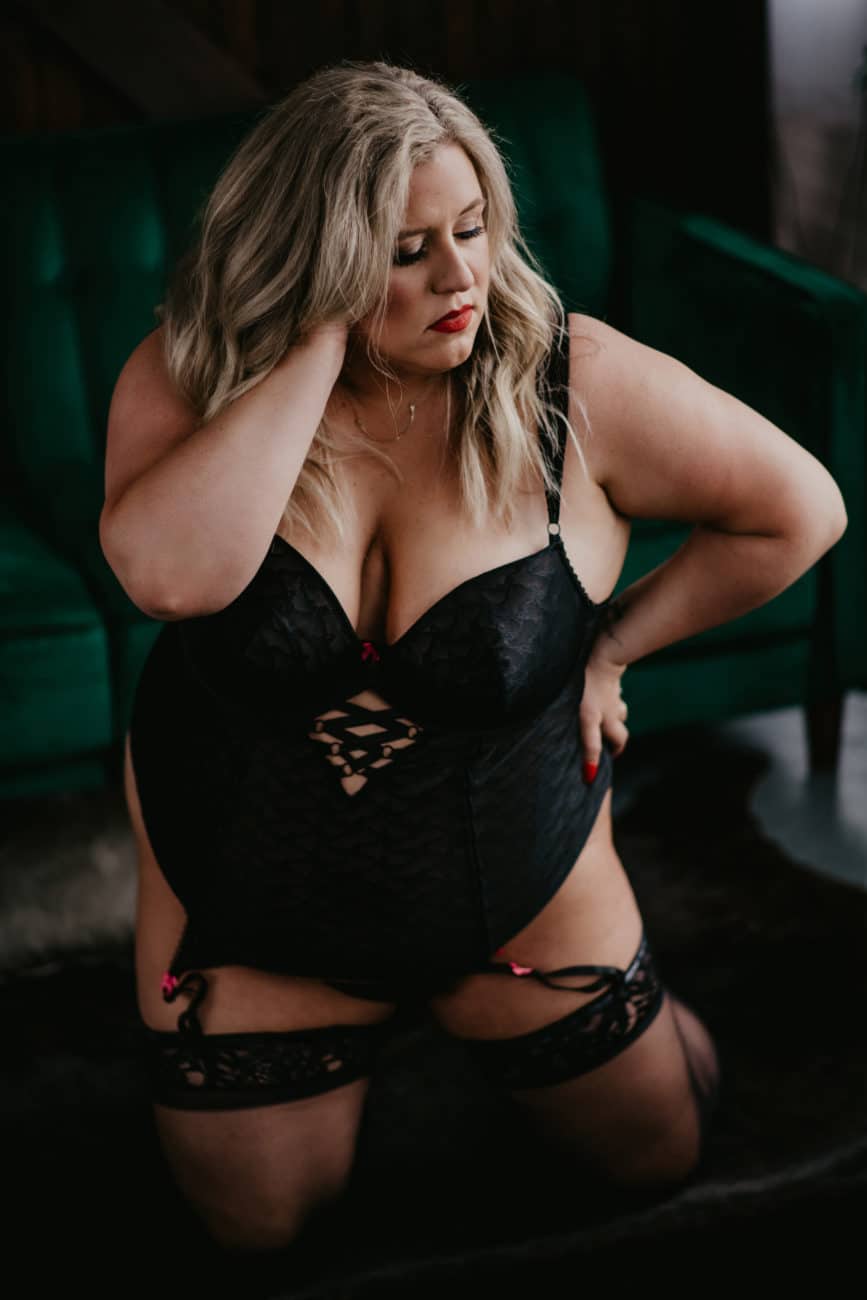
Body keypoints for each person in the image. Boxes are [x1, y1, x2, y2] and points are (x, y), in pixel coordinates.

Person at [100, 60, 847, 1254]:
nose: (463, 278)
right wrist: (318, 343)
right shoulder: (188, 378)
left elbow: (801, 510)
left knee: (659, 1158)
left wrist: (611, 646)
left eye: (473, 228)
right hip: (245, 901)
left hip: (516, 890)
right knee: (258, 1234)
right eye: (406, 252)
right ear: (320, 261)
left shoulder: (574, 382)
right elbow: (171, 579)